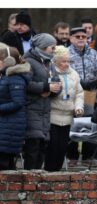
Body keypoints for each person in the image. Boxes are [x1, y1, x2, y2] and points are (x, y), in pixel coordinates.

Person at [23, 33, 60, 170]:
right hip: (32, 108)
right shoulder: (28, 61)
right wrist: (45, 87)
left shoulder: (49, 62)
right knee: (33, 146)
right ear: (43, 47)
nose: (54, 50)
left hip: (45, 110)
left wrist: (57, 89)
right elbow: (25, 84)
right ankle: (28, 181)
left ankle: (38, 181)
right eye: (52, 47)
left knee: (42, 146)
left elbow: (55, 81)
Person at [44, 45, 84, 172]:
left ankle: (57, 175)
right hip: (52, 116)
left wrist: (78, 107)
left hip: (67, 117)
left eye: (68, 61)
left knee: (62, 148)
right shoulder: (50, 73)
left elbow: (79, 93)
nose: (67, 64)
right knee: (52, 147)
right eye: (63, 61)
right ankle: (49, 173)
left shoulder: (74, 74)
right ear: (55, 61)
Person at [66, 27, 97, 165]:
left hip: (90, 92)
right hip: (72, 92)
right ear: (71, 38)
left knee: (90, 123)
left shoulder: (93, 53)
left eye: (83, 37)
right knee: (72, 123)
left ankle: (88, 157)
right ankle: (72, 156)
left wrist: (93, 82)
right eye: (77, 36)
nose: (81, 39)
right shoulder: (66, 53)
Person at [0, 47, 31, 170]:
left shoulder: (15, 78)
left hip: (10, 126)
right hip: (5, 125)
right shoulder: (7, 77)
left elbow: (18, 102)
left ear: (9, 61)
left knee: (4, 165)